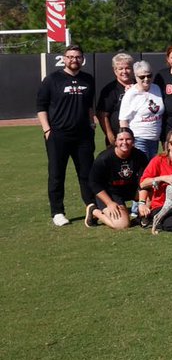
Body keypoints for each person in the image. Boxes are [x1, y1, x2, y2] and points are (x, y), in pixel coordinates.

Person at [38, 44, 97, 226]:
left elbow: (89, 106)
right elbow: (41, 107)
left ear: (82, 59)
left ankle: (91, 208)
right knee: (57, 174)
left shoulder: (88, 79)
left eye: (77, 57)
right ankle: (58, 212)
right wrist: (47, 130)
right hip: (58, 135)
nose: (74, 60)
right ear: (64, 59)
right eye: (70, 57)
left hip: (83, 136)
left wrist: (92, 124)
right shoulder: (52, 80)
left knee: (87, 174)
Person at [84, 128, 149, 230]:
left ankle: (141, 218)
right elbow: (94, 183)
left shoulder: (139, 156)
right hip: (110, 193)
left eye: (128, 139)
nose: (125, 142)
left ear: (133, 141)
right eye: (121, 139)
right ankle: (95, 211)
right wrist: (109, 203)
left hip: (130, 189)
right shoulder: (104, 158)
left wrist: (142, 202)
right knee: (122, 225)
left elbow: (143, 180)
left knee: (153, 198)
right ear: (115, 141)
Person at [118, 60, 164, 157]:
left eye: (149, 75)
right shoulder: (130, 94)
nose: (146, 79)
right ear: (135, 77)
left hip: (155, 139)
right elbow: (123, 120)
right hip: (138, 138)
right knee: (143, 169)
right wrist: (128, 140)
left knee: (151, 169)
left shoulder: (157, 88)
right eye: (142, 77)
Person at [96, 52, 135, 146]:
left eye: (127, 68)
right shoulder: (109, 90)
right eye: (120, 69)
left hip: (139, 137)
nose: (124, 71)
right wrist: (110, 135)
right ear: (115, 70)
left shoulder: (140, 86)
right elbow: (102, 115)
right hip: (119, 138)